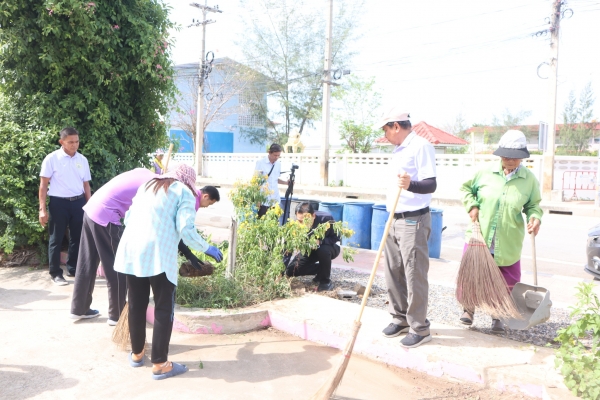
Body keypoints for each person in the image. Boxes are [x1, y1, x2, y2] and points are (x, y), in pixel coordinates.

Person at [113, 164, 223, 380]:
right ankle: (161, 364)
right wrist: (206, 248)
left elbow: (128, 218)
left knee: (136, 304)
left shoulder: (147, 186)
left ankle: (137, 354)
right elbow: (185, 229)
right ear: (189, 181)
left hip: (132, 251)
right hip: (158, 255)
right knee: (164, 309)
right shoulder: (183, 192)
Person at [460, 130, 542, 333]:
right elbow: (466, 189)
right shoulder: (484, 172)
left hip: (508, 240)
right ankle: (468, 309)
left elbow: (533, 205)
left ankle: (498, 315)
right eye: (505, 156)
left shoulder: (529, 179)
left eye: (514, 157)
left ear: (522, 157)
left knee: (505, 282)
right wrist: (472, 205)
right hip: (479, 236)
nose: (509, 160)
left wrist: (535, 217)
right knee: (473, 274)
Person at [377, 108, 437, 348]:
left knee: (414, 274)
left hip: (413, 220)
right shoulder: (399, 149)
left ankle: (419, 328)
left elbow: (431, 184)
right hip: (393, 217)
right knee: (393, 271)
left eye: (385, 130)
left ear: (396, 126)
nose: (384, 135)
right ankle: (400, 317)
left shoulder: (421, 146)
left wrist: (411, 185)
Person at [70, 168, 156, 323]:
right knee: (118, 267)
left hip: (91, 209)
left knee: (86, 262)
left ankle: (79, 308)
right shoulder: (154, 185)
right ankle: (117, 315)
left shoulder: (144, 173)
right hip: (106, 216)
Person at [39, 127, 92, 285]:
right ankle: (55, 273)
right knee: (56, 238)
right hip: (58, 203)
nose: (74, 145)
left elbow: (86, 185)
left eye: (77, 141)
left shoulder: (82, 160)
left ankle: (73, 268)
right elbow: (43, 185)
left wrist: (89, 205)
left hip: (78, 202)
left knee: (77, 237)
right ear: (61, 142)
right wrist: (42, 209)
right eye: (70, 142)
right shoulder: (52, 159)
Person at [284, 202, 341, 292]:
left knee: (323, 250)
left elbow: (336, 238)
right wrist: (281, 271)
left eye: (305, 220)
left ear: (313, 216)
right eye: (299, 220)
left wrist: (321, 241)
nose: (302, 224)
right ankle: (322, 269)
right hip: (309, 250)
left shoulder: (326, 218)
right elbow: (287, 248)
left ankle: (325, 281)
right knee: (291, 270)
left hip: (329, 248)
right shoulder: (295, 226)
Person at [254, 143, 288, 217]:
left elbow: (275, 179)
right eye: (275, 155)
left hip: (275, 199)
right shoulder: (261, 163)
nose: (277, 157)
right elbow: (256, 181)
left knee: (274, 221)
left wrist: (286, 183)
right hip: (264, 200)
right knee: (262, 221)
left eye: (278, 155)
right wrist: (258, 199)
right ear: (269, 152)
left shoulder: (278, 164)